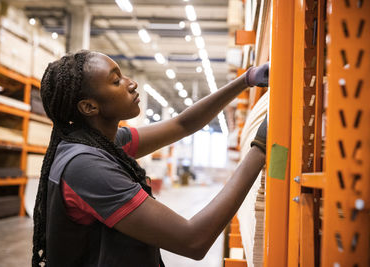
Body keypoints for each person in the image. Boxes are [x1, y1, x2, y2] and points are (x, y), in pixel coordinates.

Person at [32, 50, 269, 267]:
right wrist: (259, 148)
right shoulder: (85, 166)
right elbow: (193, 240)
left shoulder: (105, 142)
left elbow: (182, 124)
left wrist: (247, 79)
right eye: (116, 81)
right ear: (89, 107)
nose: (132, 83)